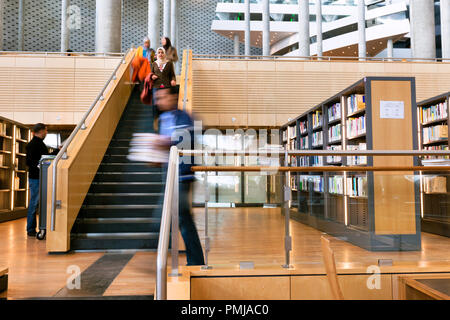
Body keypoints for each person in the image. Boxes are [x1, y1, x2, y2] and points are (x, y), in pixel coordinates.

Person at [155, 86, 205, 266]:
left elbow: (185, 140)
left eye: (162, 97)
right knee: (181, 219)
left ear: (172, 97)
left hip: (182, 177)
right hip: (169, 176)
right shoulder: (162, 119)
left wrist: (165, 142)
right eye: (157, 98)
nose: (158, 102)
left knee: (183, 219)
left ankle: (196, 261)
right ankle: (193, 260)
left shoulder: (183, 117)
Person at [25, 123, 58, 237]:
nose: (46, 133)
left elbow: (45, 157)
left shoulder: (39, 143)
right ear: (41, 131)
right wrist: (40, 165)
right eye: (46, 130)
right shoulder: (33, 144)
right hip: (36, 178)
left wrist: (55, 152)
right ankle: (30, 229)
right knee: (34, 203)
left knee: (36, 203)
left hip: (39, 177)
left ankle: (32, 228)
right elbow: (30, 161)